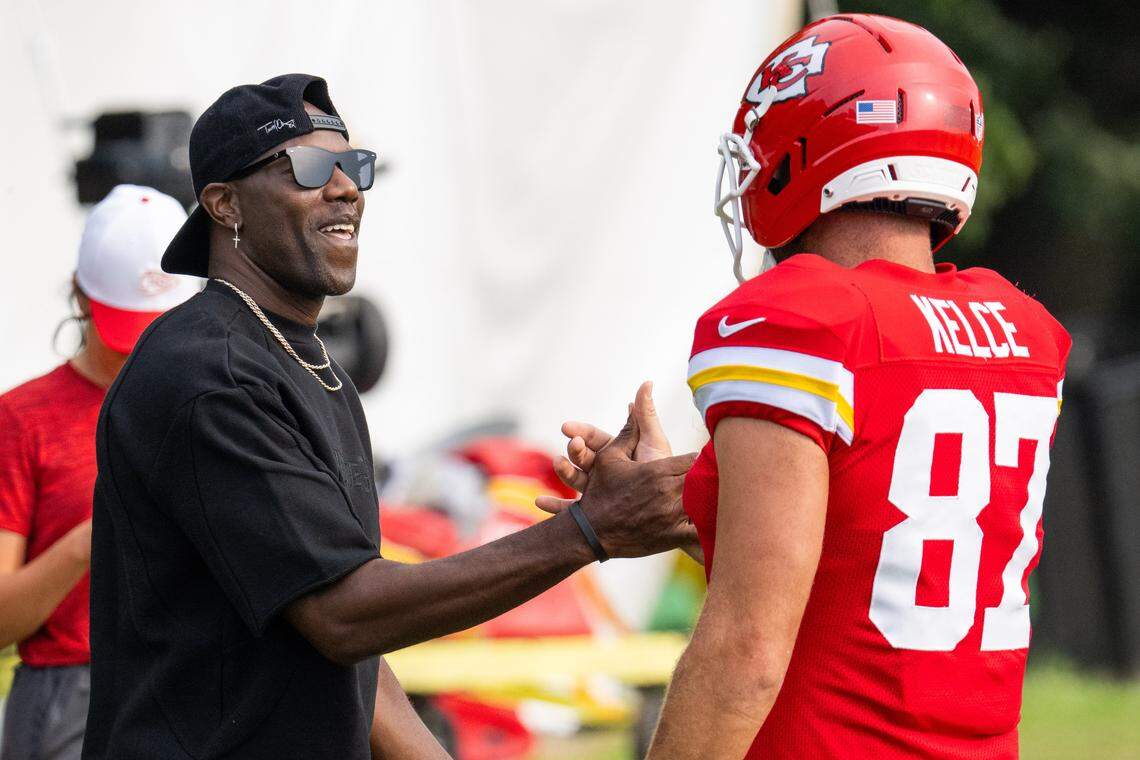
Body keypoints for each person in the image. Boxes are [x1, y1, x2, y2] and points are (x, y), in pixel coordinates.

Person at [83, 74, 696, 760]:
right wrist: (592, 529)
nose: (346, 188)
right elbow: (344, 614)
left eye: (353, 166)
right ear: (225, 204)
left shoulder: (311, 368)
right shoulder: (208, 375)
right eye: (312, 167)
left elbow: (348, 654)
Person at [550, 14, 1071, 759]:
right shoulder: (1023, 332)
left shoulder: (798, 318)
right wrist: (698, 495)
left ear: (805, 151)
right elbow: (869, 560)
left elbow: (747, 651)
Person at [0, 185, 197, 760]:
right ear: (79, 296)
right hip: (70, 697)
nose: (140, 354)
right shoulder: (22, 420)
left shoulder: (212, 406)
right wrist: (90, 539)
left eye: (157, 328)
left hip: (194, 681)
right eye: (125, 332)